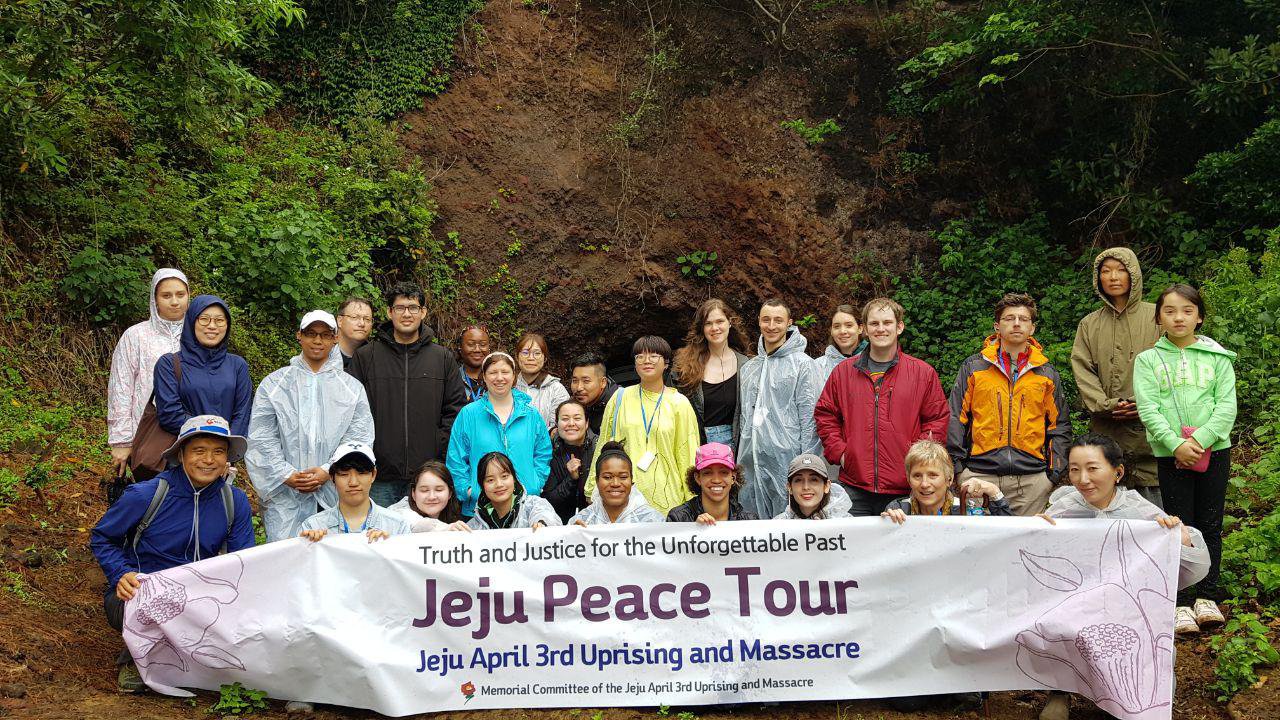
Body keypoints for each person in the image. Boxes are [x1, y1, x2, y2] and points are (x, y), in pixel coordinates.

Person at [1035, 434, 1211, 720]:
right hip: (1076, 602)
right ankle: (1059, 691)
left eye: (1093, 468)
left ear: (1118, 472)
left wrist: (1179, 538)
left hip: (1125, 607)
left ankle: (1138, 698)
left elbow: (1193, 568)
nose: (1082, 478)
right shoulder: (1062, 511)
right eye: (1074, 469)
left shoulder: (1142, 513)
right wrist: (1034, 533)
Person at [90, 415, 253, 692]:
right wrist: (121, 573)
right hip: (142, 593)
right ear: (181, 453)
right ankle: (137, 657)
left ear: (227, 457)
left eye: (218, 451)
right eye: (199, 450)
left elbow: (243, 560)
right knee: (155, 602)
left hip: (200, 593)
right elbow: (102, 536)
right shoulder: (147, 494)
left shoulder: (233, 500)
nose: (209, 460)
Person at [1134, 283, 1236, 625]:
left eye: (1187, 311)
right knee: (1177, 523)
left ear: (1200, 318)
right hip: (1170, 453)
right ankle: (1178, 600)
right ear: (1159, 317)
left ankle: (1207, 595)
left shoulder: (1218, 358)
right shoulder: (1148, 360)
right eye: (1170, 311)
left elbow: (1226, 406)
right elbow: (1148, 408)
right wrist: (1176, 444)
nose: (1179, 317)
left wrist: (1202, 440)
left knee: (1209, 522)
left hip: (1215, 452)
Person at [246, 310, 374, 542]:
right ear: (299, 336)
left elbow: (359, 438)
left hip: (335, 491)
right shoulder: (274, 384)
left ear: (335, 338)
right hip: (285, 495)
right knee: (288, 561)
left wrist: (328, 469)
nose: (317, 341)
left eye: (325, 335)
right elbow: (262, 437)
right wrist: (285, 474)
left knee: (335, 559)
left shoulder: (351, 388)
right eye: (311, 334)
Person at [815, 298, 950, 516]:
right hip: (854, 487)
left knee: (903, 550)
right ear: (865, 329)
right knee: (854, 549)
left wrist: (919, 460)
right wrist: (842, 453)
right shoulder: (843, 372)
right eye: (874, 324)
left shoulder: (922, 373)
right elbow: (825, 415)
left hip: (905, 489)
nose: (881, 329)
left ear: (899, 327)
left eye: (887, 323)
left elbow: (937, 420)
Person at [947, 293, 1070, 517]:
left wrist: (1052, 475)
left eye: (1023, 319)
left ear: (1032, 328)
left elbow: (1059, 426)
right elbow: (956, 418)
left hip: (1031, 481)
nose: (1016, 323)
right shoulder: (974, 367)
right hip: (979, 475)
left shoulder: (1046, 373)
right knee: (979, 546)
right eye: (1009, 318)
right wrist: (959, 470)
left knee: (1027, 547)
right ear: (997, 325)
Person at [348, 282, 467, 507]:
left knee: (426, 539)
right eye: (400, 308)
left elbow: (455, 409)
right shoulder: (366, 357)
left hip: (427, 476)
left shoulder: (442, 358)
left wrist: (437, 446)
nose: (406, 314)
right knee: (380, 538)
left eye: (413, 308)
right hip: (378, 473)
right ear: (389, 312)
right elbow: (351, 411)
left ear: (423, 312)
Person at [1071, 248, 1163, 507]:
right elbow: (1082, 369)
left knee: (1154, 518)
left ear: (1134, 274)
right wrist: (1106, 405)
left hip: (1151, 437)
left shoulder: (1157, 317)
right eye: (1106, 271)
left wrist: (1141, 403)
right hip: (1106, 430)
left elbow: (1169, 368)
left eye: (1121, 270)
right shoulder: (1090, 324)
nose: (1113, 277)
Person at [587, 336, 700, 514]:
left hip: (668, 497)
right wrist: (592, 485)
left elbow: (688, 453)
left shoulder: (679, 403)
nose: (646, 360)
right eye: (640, 356)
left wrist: (693, 499)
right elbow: (603, 444)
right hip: (622, 496)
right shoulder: (619, 398)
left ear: (666, 363)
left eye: (654, 355)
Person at [737, 299, 822, 519]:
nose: (772, 326)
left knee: (791, 526)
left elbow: (810, 420)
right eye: (766, 319)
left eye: (778, 320)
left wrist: (806, 467)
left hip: (788, 461)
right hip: (752, 463)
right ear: (758, 322)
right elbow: (746, 419)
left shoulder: (803, 365)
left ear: (789, 323)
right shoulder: (749, 368)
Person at [447, 352, 554, 517]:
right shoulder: (468, 414)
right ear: (484, 376)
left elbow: (543, 452)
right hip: (481, 506)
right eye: (492, 372)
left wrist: (535, 483)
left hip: (525, 505)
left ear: (514, 376)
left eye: (505, 372)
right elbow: (456, 458)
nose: (499, 378)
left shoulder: (531, 414)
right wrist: (469, 489)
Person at [107, 268, 189, 479]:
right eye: (166, 295)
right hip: (145, 434)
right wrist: (122, 441)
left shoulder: (200, 335)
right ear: (154, 299)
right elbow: (121, 388)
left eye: (180, 294)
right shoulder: (136, 336)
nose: (174, 302)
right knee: (150, 499)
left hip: (191, 438)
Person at [153, 295, 253, 439]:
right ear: (192, 322)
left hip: (224, 455)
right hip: (182, 452)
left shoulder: (237, 366)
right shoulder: (169, 364)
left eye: (219, 320)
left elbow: (242, 414)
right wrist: (214, 435)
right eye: (204, 319)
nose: (212, 326)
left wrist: (228, 449)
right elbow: (170, 415)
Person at [671, 298, 752, 447]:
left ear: (730, 322)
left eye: (720, 321)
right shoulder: (685, 367)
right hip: (699, 446)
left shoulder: (746, 365)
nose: (715, 328)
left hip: (739, 448)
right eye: (708, 323)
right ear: (702, 328)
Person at [298, 443, 412, 541]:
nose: (353, 482)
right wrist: (309, 546)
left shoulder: (397, 526)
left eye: (361, 473)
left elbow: (408, 565)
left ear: (373, 475)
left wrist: (389, 548)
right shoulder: (313, 526)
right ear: (332, 478)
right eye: (344, 474)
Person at [881, 440, 1012, 521]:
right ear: (909, 480)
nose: (924, 484)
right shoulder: (899, 508)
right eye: (917, 476)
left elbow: (1007, 540)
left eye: (933, 475)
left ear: (949, 479)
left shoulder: (965, 510)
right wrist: (889, 523)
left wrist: (994, 492)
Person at [570, 441, 664, 524]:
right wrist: (575, 535)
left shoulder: (653, 521)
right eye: (607, 477)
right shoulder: (582, 521)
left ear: (631, 480)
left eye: (623, 477)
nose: (615, 483)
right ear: (597, 481)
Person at [666, 443, 759, 523]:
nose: (716, 480)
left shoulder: (749, 522)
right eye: (707, 473)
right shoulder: (678, 519)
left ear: (733, 478)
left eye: (724, 472)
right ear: (697, 478)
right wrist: (693, 531)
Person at [466, 452, 561, 530]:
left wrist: (542, 524)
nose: (499, 484)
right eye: (490, 480)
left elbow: (546, 516)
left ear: (514, 479)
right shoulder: (474, 526)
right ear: (482, 486)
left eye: (504, 477)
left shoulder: (533, 504)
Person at [542, 400, 598, 523]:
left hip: (595, 524)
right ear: (557, 424)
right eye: (565, 419)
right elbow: (548, 501)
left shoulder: (598, 449)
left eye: (577, 418)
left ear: (587, 423)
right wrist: (571, 479)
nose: (571, 423)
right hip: (560, 527)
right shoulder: (549, 452)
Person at [388, 461, 471, 532]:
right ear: (413, 494)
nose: (432, 497)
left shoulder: (452, 517)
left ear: (450, 493)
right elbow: (418, 524)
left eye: (439, 490)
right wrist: (446, 528)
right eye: (424, 490)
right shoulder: (399, 512)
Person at [514, 332, 570, 430]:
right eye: (525, 353)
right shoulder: (509, 386)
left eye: (537, 353)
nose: (531, 358)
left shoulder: (556, 389)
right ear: (517, 357)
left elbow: (560, 427)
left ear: (545, 358)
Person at [774, 454, 852, 520]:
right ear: (789, 487)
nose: (806, 487)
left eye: (814, 480)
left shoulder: (845, 523)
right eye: (798, 480)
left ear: (826, 486)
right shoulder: (777, 526)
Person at [567, 352, 620, 434]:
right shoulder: (573, 403)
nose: (579, 388)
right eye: (575, 381)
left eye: (586, 381)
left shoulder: (620, 403)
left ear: (603, 382)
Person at [815, 303, 866, 388]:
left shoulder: (875, 361)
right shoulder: (819, 366)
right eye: (837, 326)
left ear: (860, 328)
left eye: (849, 325)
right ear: (831, 331)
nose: (842, 331)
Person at [335, 297, 374, 370]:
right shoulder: (322, 353)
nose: (362, 324)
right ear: (340, 321)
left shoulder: (375, 357)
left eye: (367, 319)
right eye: (355, 317)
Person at [458, 325, 491, 402]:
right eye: (470, 344)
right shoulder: (452, 380)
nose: (477, 350)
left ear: (489, 350)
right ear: (460, 349)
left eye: (482, 345)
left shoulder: (497, 379)